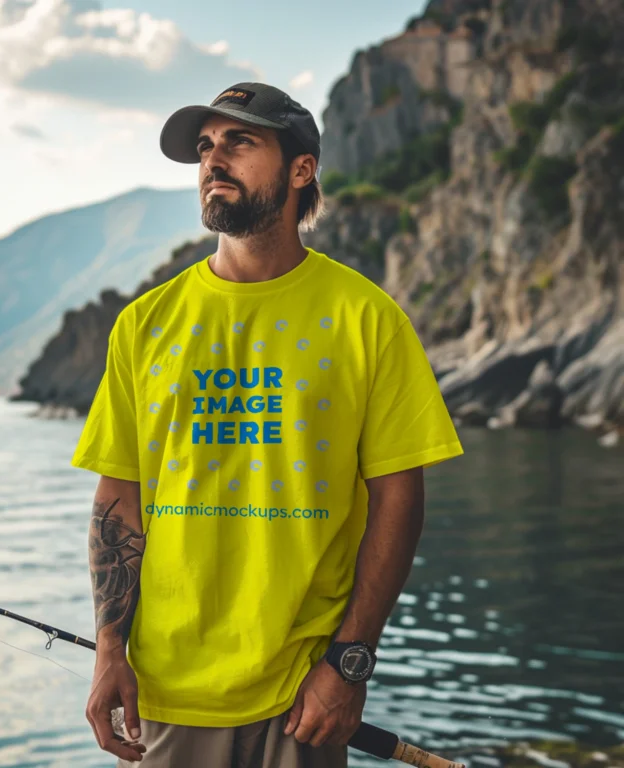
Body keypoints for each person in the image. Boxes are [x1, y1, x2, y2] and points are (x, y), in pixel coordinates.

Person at [71, 81, 464, 767]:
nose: (213, 161)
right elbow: (118, 499)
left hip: (304, 694)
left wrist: (349, 663)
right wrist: (109, 652)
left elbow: (398, 498)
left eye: (239, 143)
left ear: (300, 170)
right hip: (171, 693)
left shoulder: (367, 319)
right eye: (205, 147)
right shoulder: (145, 325)